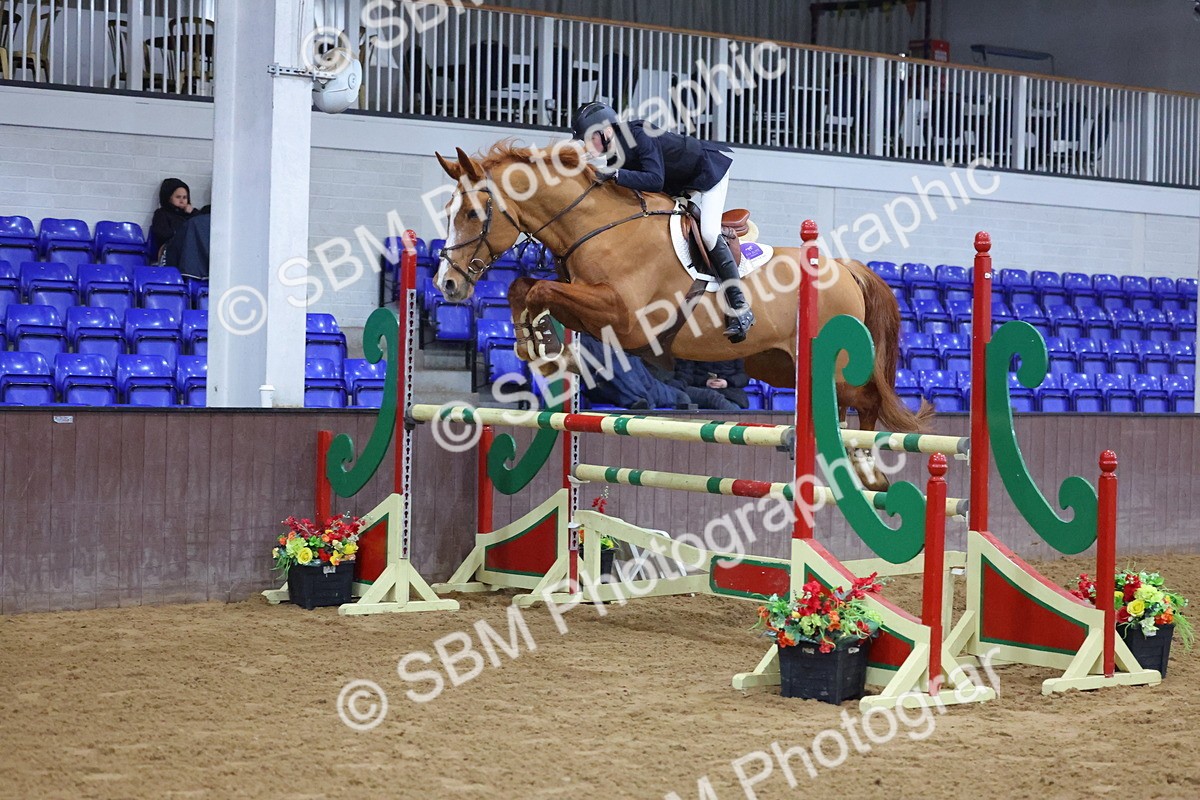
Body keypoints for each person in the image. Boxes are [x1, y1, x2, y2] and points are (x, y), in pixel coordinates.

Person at [570, 101, 755, 344]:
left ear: (605, 130)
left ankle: (740, 306)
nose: (587, 146)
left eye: (589, 138)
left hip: (708, 173)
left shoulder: (639, 135)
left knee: (709, 233)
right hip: (676, 183)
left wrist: (616, 175)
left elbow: (655, 180)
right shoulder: (615, 152)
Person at [150, 178, 203, 264]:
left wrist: (193, 213)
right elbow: (162, 233)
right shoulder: (161, 214)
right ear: (169, 198)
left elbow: (202, 227)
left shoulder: (192, 214)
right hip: (171, 251)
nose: (182, 201)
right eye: (178, 197)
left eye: (185, 197)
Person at [668, 358, 751, 411]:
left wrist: (726, 382)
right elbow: (685, 375)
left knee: (732, 406)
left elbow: (744, 376)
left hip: (730, 392)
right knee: (713, 397)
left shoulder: (735, 348)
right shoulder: (692, 346)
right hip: (700, 389)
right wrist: (705, 381)